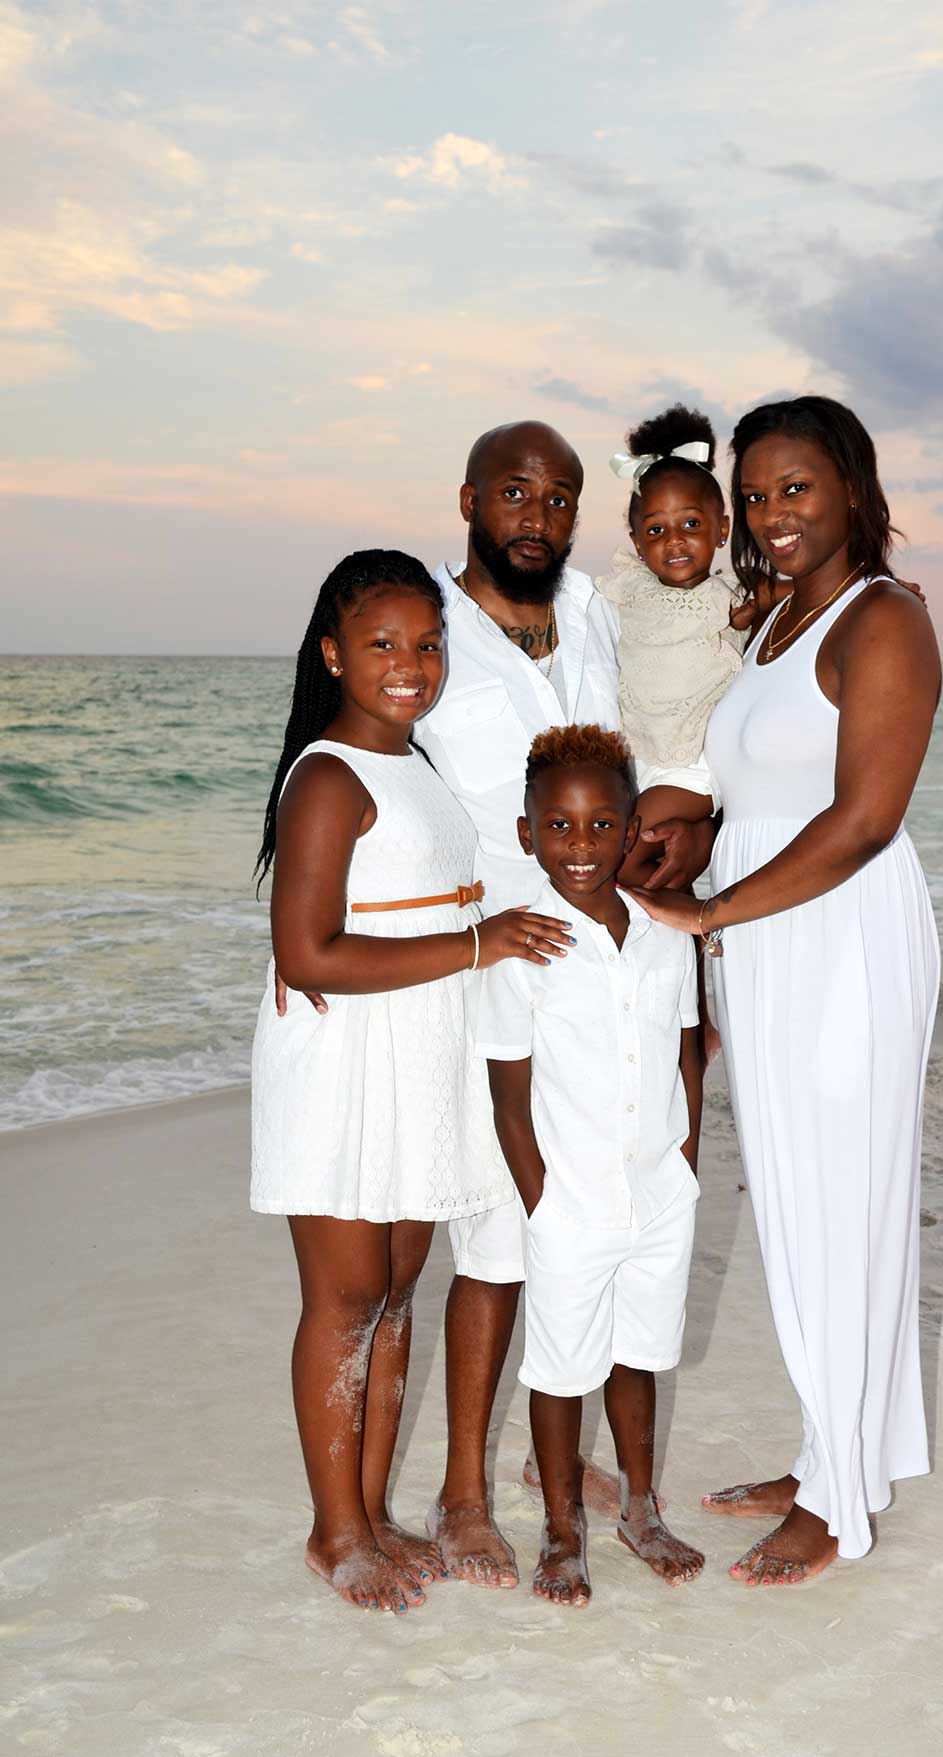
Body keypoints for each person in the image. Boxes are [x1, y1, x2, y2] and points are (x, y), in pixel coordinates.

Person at [278, 424, 717, 1589]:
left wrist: (685, 841)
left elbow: (671, 711)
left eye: (560, 497)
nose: (538, 514)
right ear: (470, 499)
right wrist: (310, 936)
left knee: (597, 1208)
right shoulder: (434, 631)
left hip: (602, 959)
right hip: (478, 971)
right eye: (516, 492)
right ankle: (463, 1493)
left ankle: (549, 1457)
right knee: (500, 1231)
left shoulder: (595, 612)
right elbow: (351, 768)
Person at [625, 396, 942, 1586]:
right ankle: (833, 1457)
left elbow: (862, 820)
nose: (771, 515)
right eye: (753, 495)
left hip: (842, 935)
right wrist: (686, 861)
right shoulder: (770, 622)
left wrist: (709, 913)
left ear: (852, 485)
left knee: (840, 1208)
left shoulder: (884, 620)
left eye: (795, 488)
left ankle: (840, 1504)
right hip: (768, 937)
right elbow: (750, 794)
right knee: (805, 1208)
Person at [250, 550, 573, 1613]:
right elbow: (307, 954)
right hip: (346, 1061)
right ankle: (333, 1532)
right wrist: (478, 944)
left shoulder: (416, 763)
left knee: (394, 1294)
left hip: (419, 1053)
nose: (409, 664)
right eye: (382, 643)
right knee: (345, 1300)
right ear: (332, 655)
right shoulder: (329, 775)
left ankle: (373, 1509)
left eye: (428, 644)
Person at [478, 725, 706, 1607]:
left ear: (632, 828)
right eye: (560, 827)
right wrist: (544, 1204)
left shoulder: (666, 934)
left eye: (603, 825)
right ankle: (563, 1529)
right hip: (569, 1202)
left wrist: (685, 1164)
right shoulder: (524, 949)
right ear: (527, 832)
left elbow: (687, 1055)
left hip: (659, 1194)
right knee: (561, 1369)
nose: (582, 845)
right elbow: (509, 1095)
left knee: (640, 1356)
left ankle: (641, 1512)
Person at [596, 404, 749, 888]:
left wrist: (866, 586)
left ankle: (690, 917)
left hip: (694, 767)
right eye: (656, 530)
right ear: (638, 543)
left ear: (722, 529)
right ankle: (681, 924)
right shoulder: (630, 589)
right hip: (637, 758)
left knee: (622, 856)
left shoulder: (731, 599)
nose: (675, 541)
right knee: (646, 863)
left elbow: (801, 594)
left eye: (691, 525)